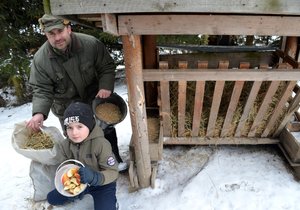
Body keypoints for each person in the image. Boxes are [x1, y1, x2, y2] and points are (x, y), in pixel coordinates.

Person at [26, 14, 127, 171]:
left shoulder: (90, 44)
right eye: (51, 34)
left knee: (104, 131)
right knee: (76, 138)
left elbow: (106, 66)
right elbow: (42, 89)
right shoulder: (41, 60)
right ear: (46, 35)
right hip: (65, 105)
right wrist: (39, 112)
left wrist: (105, 86)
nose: (57, 37)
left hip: (94, 98)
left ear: (69, 29)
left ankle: (113, 159)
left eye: (60, 31)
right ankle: (87, 169)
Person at [47, 102, 118, 210]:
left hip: (102, 183)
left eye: (79, 126)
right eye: (70, 128)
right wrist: (72, 188)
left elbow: (113, 172)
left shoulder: (101, 144)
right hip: (79, 182)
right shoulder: (65, 145)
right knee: (52, 198)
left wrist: (95, 177)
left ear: (89, 125)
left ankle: (113, 203)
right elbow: (65, 167)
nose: (74, 132)